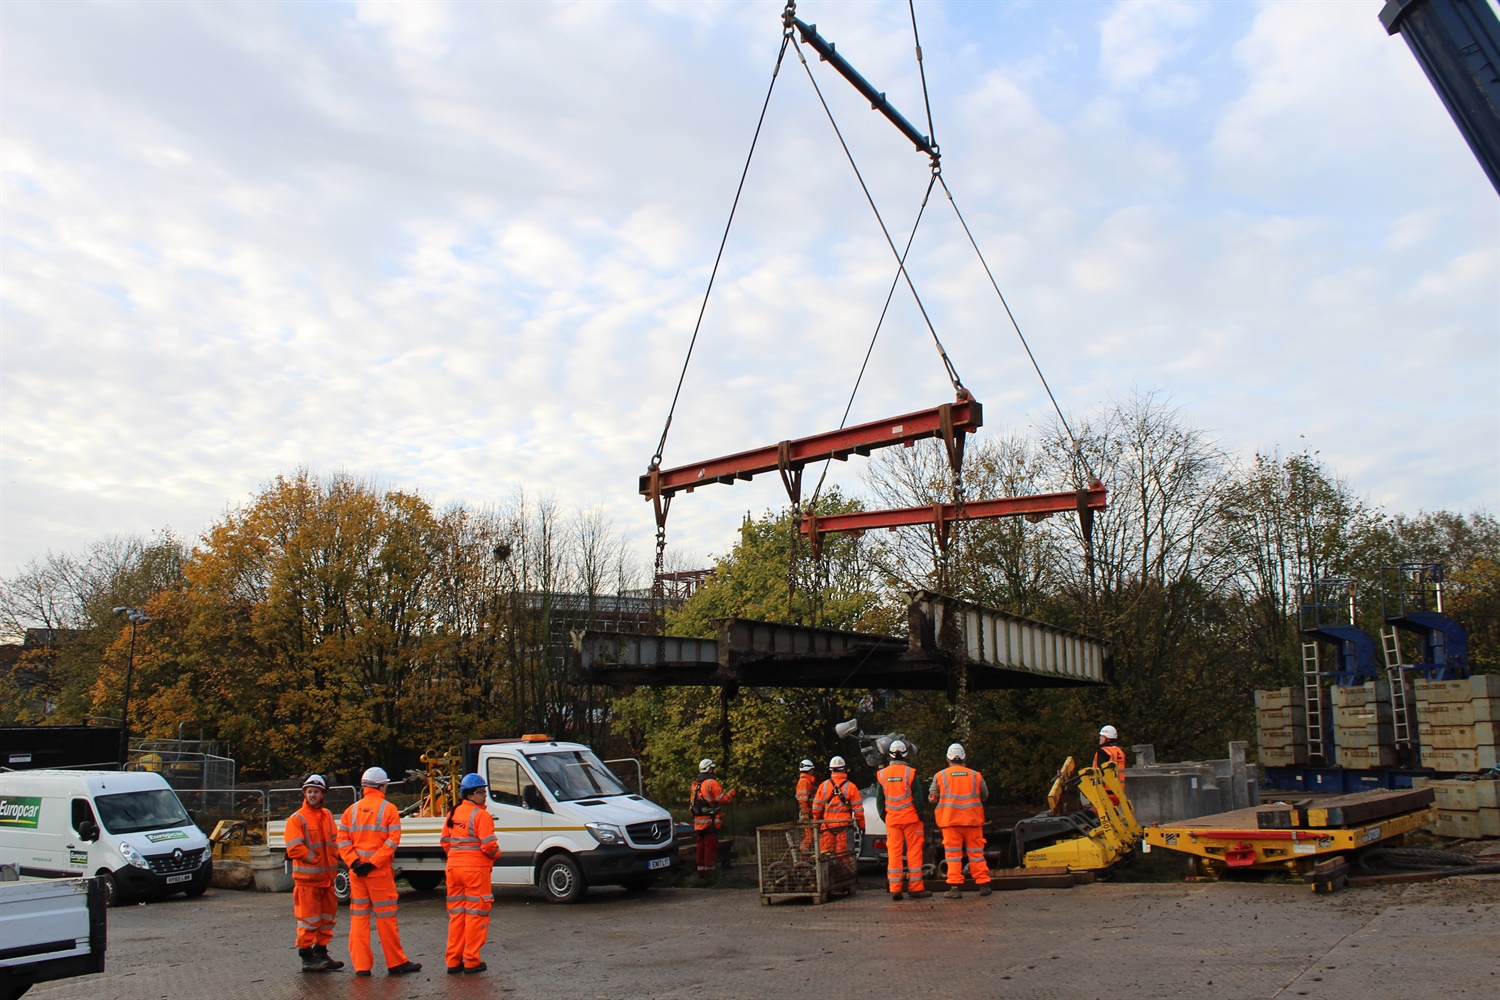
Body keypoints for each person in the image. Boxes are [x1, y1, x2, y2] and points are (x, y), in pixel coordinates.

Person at [338, 766, 422, 977]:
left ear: (364, 786)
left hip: (357, 874)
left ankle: (362, 966)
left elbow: (342, 841)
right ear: (382, 786)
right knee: (385, 919)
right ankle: (395, 963)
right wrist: (372, 863)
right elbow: (392, 842)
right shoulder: (389, 809)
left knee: (359, 919)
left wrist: (355, 863)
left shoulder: (351, 811)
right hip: (378, 873)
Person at [442, 772, 500, 975]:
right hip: (475, 871)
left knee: (457, 915)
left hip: (454, 870)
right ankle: (472, 960)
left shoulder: (452, 814)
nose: (484, 795)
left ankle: (453, 961)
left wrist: (457, 858)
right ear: (468, 794)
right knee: (476, 915)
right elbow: (489, 846)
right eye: (480, 792)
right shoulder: (481, 815)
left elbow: (445, 842)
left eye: (484, 791)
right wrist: (496, 855)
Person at [285, 774, 344, 972]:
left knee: (326, 920)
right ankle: (307, 958)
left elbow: (335, 840)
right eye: (309, 791)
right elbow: (294, 848)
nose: (312, 795)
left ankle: (321, 953)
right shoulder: (297, 818)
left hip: (327, 880)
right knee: (308, 921)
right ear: (304, 793)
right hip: (307, 881)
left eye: (316, 792)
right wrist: (315, 858)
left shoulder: (327, 815)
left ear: (322, 794)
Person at [929, 743, 991, 899]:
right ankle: (983, 884)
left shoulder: (940, 776)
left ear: (948, 759)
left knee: (953, 856)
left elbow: (932, 798)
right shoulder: (976, 775)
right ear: (964, 757)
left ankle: (955, 887)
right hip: (972, 821)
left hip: (951, 822)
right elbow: (984, 796)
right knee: (977, 854)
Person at [877, 740, 930, 901]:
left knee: (894, 853)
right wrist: (920, 816)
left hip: (893, 821)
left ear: (890, 754)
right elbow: (918, 798)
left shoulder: (882, 774)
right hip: (911, 819)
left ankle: (895, 889)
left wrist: (886, 817)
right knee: (914, 853)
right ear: (906, 754)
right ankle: (915, 888)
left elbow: (880, 801)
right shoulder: (911, 773)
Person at [690, 758, 737, 877]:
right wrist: (732, 793)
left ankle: (700, 873)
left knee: (701, 848)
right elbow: (722, 800)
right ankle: (710, 875)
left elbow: (692, 803)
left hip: (698, 822)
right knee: (710, 849)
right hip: (710, 823)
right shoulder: (712, 783)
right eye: (712, 768)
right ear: (709, 769)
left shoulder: (695, 785)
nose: (714, 770)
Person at [811, 756, 864, 858]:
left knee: (825, 856)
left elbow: (816, 808)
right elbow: (858, 811)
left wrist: (817, 823)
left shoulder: (824, 786)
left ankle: (828, 874)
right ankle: (844, 873)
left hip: (827, 825)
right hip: (844, 826)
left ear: (831, 770)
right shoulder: (851, 787)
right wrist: (862, 826)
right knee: (844, 857)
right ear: (844, 769)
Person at [1094, 725, 1127, 805]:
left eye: (1101, 736)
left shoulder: (1103, 752)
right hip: (1118, 791)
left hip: (1106, 791)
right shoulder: (1119, 752)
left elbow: (1099, 772)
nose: (1100, 738)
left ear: (1106, 738)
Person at [795, 759, 818, 854]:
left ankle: (805, 855)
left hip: (808, 813)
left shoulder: (806, 781)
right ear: (810, 770)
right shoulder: (805, 782)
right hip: (807, 814)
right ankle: (802, 854)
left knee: (811, 836)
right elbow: (803, 800)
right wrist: (806, 814)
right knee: (810, 836)